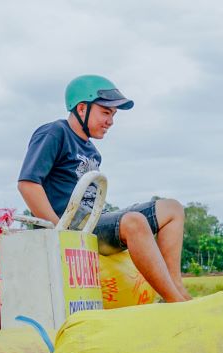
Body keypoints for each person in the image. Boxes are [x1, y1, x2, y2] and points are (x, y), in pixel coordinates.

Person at [17, 75, 191, 302]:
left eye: (113, 115)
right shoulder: (55, 133)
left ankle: (176, 286)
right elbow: (28, 184)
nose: (110, 121)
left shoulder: (93, 151)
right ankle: (174, 303)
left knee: (173, 209)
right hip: (71, 226)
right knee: (134, 221)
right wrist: (59, 231)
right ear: (82, 108)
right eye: (106, 113)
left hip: (93, 221)